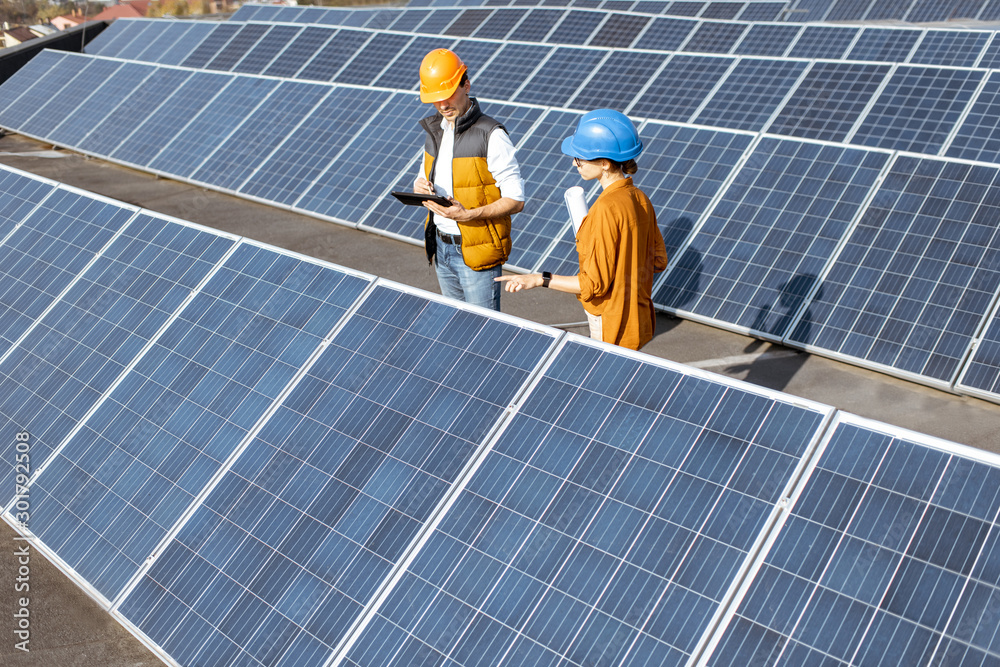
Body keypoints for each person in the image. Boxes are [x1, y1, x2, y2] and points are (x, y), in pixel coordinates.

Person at [496, 110, 668, 351]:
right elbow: (658, 261)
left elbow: (592, 285)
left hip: (610, 324)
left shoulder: (606, 209)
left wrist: (538, 279)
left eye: (580, 158)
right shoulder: (640, 198)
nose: (574, 163)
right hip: (637, 318)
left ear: (605, 163)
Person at [413, 48, 524, 312]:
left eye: (448, 95)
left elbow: (516, 199)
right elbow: (422, 177)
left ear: (466, 84)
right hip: (440, 246)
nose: (442, 105)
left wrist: (469, 215)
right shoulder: (435, 131)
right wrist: (420, 187)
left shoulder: (491, 135)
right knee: (457, 333)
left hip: (475, 252)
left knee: (483, 335)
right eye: (436, 99)